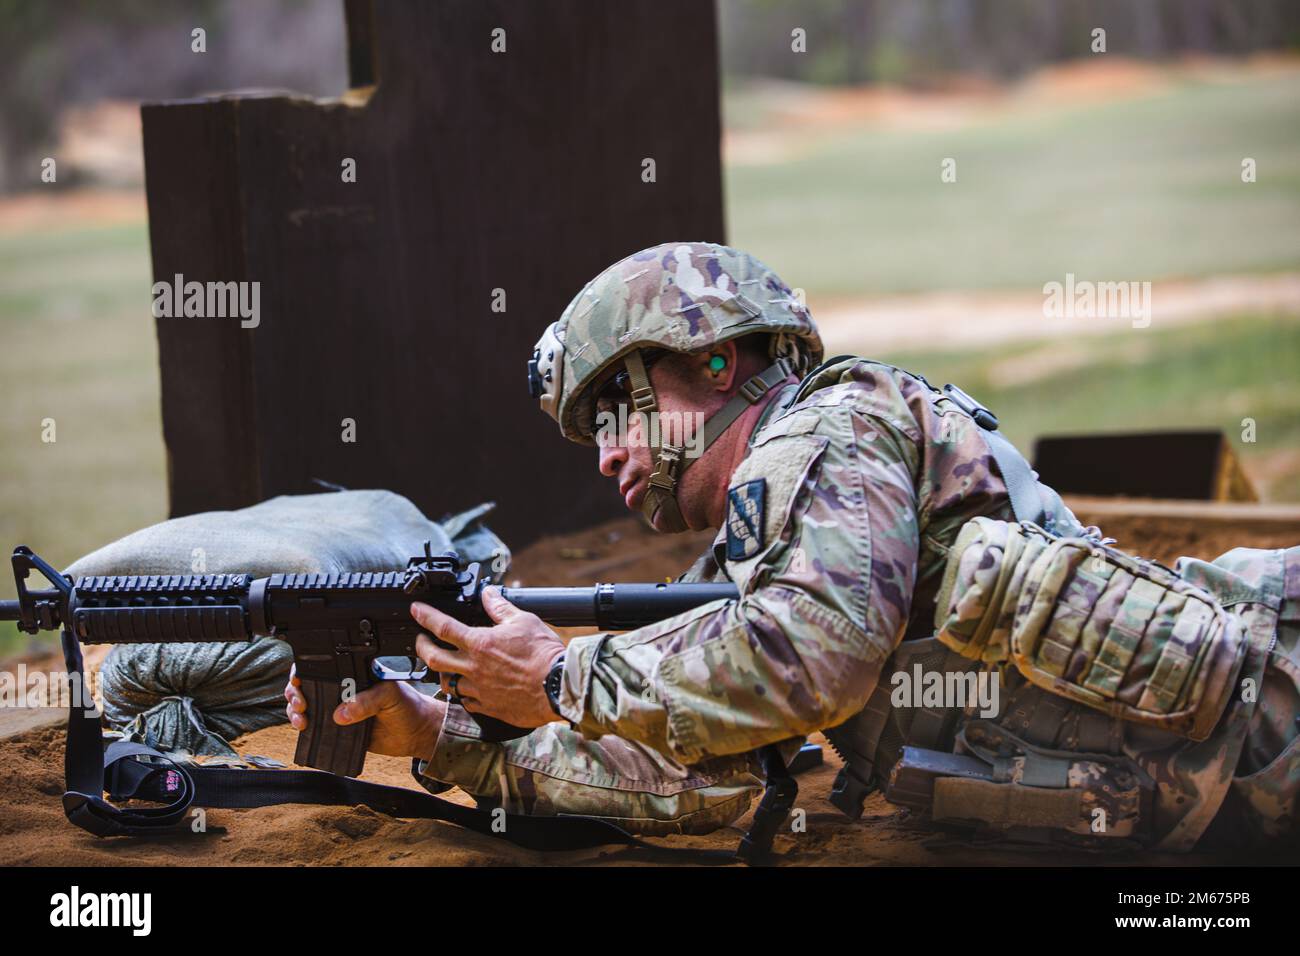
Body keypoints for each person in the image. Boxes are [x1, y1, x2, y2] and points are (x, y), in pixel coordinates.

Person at [286, 242, 1298, 852]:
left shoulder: (832, 427)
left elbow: (812, 657)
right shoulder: (754, 553)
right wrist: (440, 736)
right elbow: (692, 776)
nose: (604, 459)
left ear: (714, 359)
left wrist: (561, 676)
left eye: (611, 414)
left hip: (1272, 711)